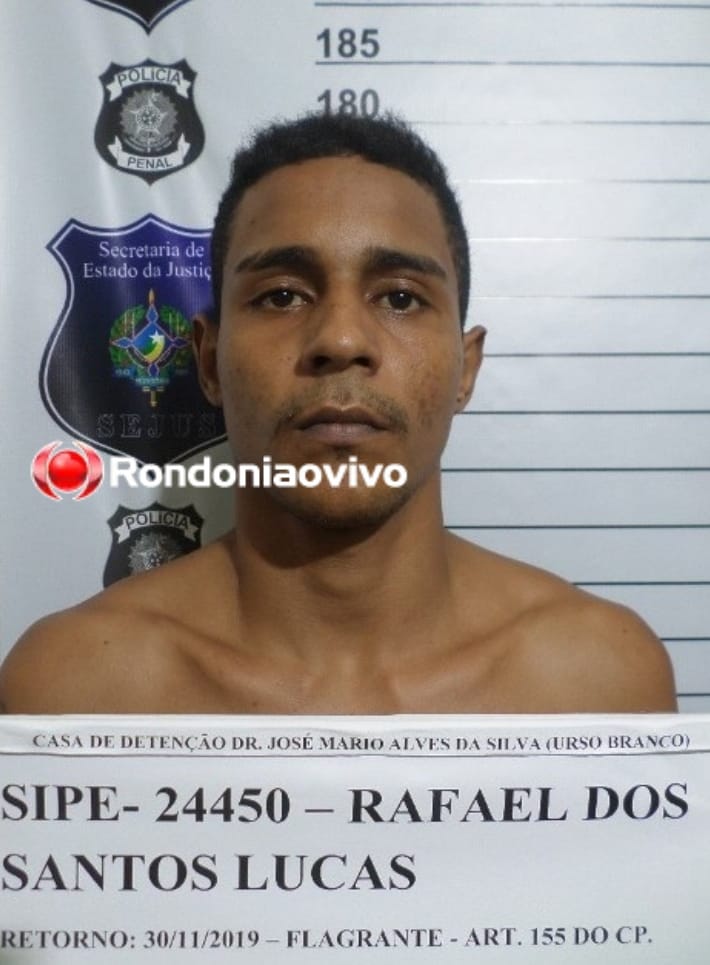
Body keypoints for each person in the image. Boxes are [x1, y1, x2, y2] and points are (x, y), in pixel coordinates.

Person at [0, 113, 676, 714]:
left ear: (466, 369)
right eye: (283, 295)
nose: (342, 339)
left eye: (401, 298)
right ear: (208, 362)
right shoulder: (70, 689)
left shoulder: (600, 681)